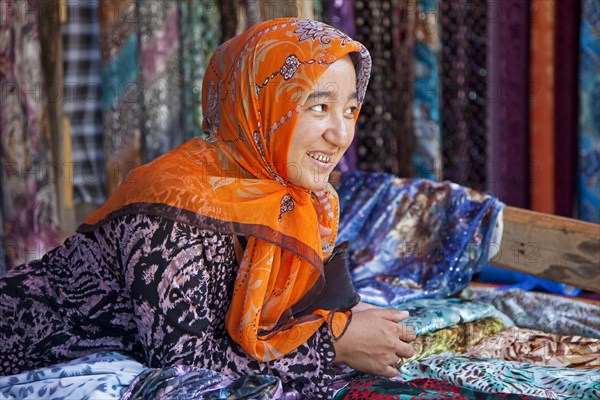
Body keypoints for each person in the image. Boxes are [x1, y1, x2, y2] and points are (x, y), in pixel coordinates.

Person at [0, 18, 415, 397]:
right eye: (318, 107)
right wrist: (334, 345)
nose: (340, 134)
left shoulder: (295, 199)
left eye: (350, 110)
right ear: (259, 105)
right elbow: (184, 364)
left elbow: (284, 312)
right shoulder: (172, 207)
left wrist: (357, 319)